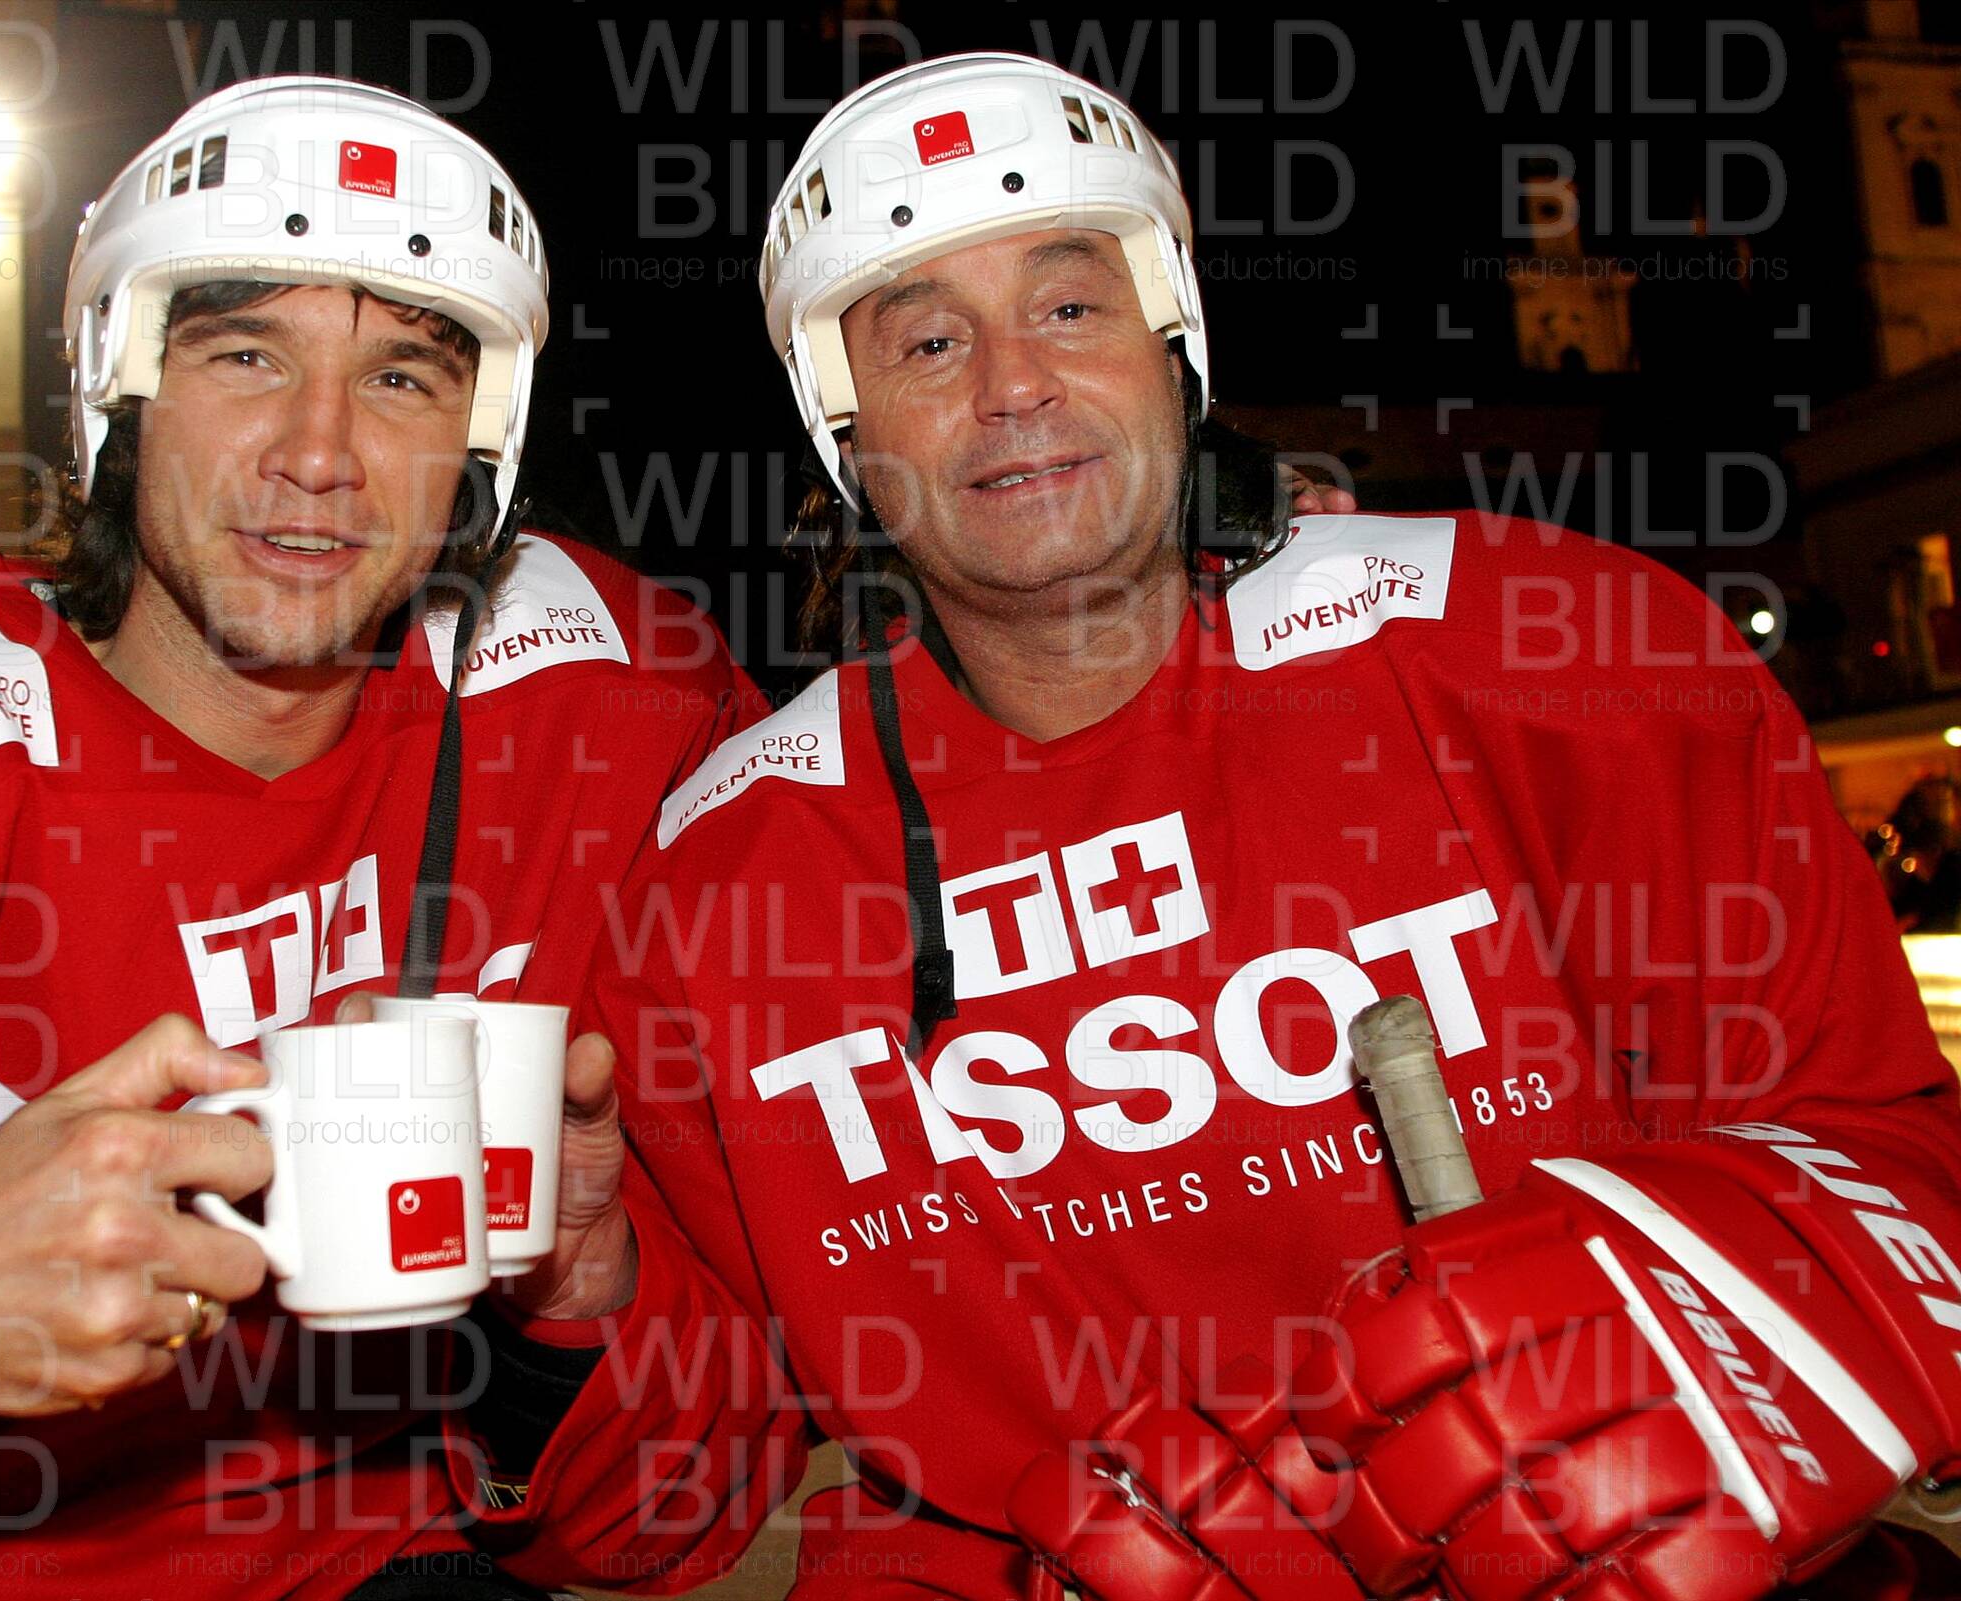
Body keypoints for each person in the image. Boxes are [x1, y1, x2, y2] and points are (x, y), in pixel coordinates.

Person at [549, 51, 1961, 1599]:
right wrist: (567, 1296)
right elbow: (663, 1499)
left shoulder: (1560, 664)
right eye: (929, 339)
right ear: (841, 425)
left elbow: (1899, 1178)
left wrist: (1685, 1331)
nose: (1012, 383)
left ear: (1174, 339)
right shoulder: (719, 886)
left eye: (1068, 305)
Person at [0, 76, 781, 1600]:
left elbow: (680, 1516)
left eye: (402, 376)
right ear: (118, 386)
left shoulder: (609, 703)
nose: (318, 452)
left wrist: (577, 1298)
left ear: (486, 439)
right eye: (245, 352)